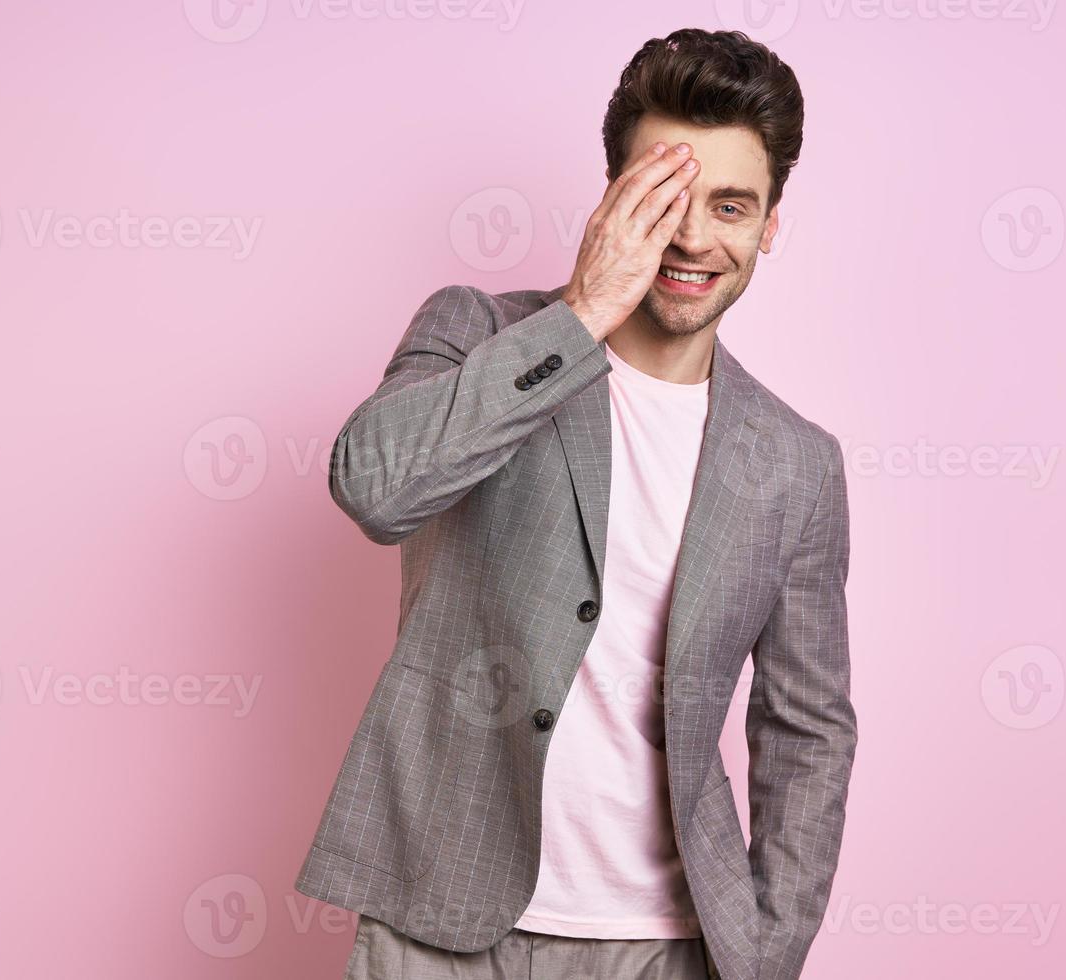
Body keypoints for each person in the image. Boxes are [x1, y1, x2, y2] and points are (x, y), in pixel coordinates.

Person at [297, 27, 857, 980]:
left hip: (669, 940)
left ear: (770, 223)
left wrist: (769, 950)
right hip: (440, 918)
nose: (691, 237)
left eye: (730, 206)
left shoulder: (797, 464)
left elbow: (809, 728)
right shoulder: (478, 334)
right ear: (610, 197)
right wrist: (583, 315)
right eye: (665, 196)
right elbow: (376, 488)